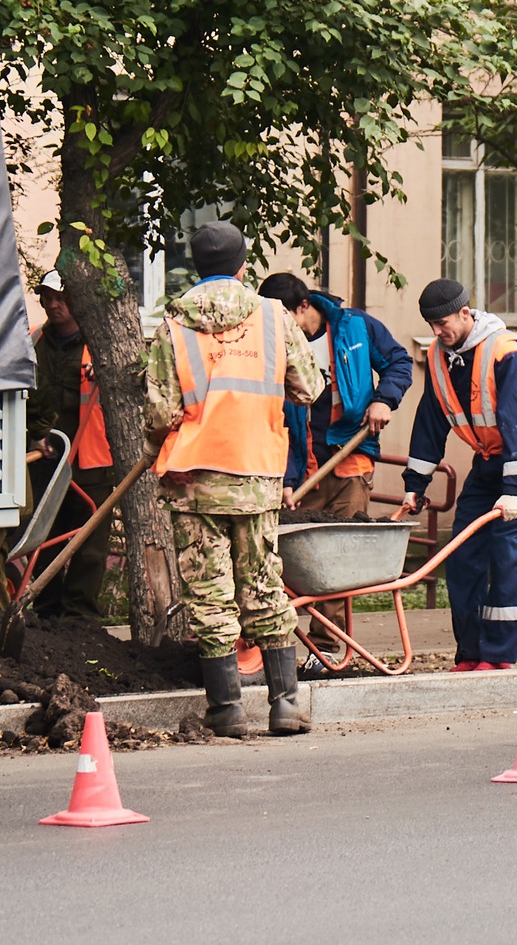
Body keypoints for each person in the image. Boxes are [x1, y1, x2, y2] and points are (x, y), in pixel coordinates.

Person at [143, 221, 324, 737]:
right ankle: (286, 704)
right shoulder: (272, 317)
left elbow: (159, 415)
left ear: (194, 269)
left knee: (210, 594)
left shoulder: (173, 327)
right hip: (257, 477)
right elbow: (308, 388)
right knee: (265, 584)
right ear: (244, 267)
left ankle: (226, 709)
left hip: (194, 482)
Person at [401, 279, 517, 671]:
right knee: (461, 554)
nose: (438, 332)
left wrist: (516, 489)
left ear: (466, 313)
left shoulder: (506, 352)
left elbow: (515, 421)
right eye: (431, 325)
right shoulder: (440, 358)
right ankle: (470, 653)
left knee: (507, 552)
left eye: (443, 323)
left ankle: (498, 655)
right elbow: (430, 422)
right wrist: (415, 486)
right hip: (490, 459)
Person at [259, 272, 413, 673]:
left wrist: (384, 400)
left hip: (350, 459)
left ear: (304, 307)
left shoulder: (354, 327)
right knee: (294, 567)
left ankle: (327, 649)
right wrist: (287, 480)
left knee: (336, 562)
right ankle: (281, 646)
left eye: (285, 319)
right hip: (303, 464)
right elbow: (278, 417)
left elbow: (399, 361)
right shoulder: (274, 345)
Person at [24, 270, 118, 622]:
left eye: (60, 297)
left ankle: (80, 619)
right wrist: (36, 436)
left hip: (90, 459)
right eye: (47, 297)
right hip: (46, 458)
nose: (53, 304)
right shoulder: (33, 343)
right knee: (45, 535)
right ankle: (47, 610)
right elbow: (24, 400)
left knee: (89, 544)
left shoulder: (101, 346)